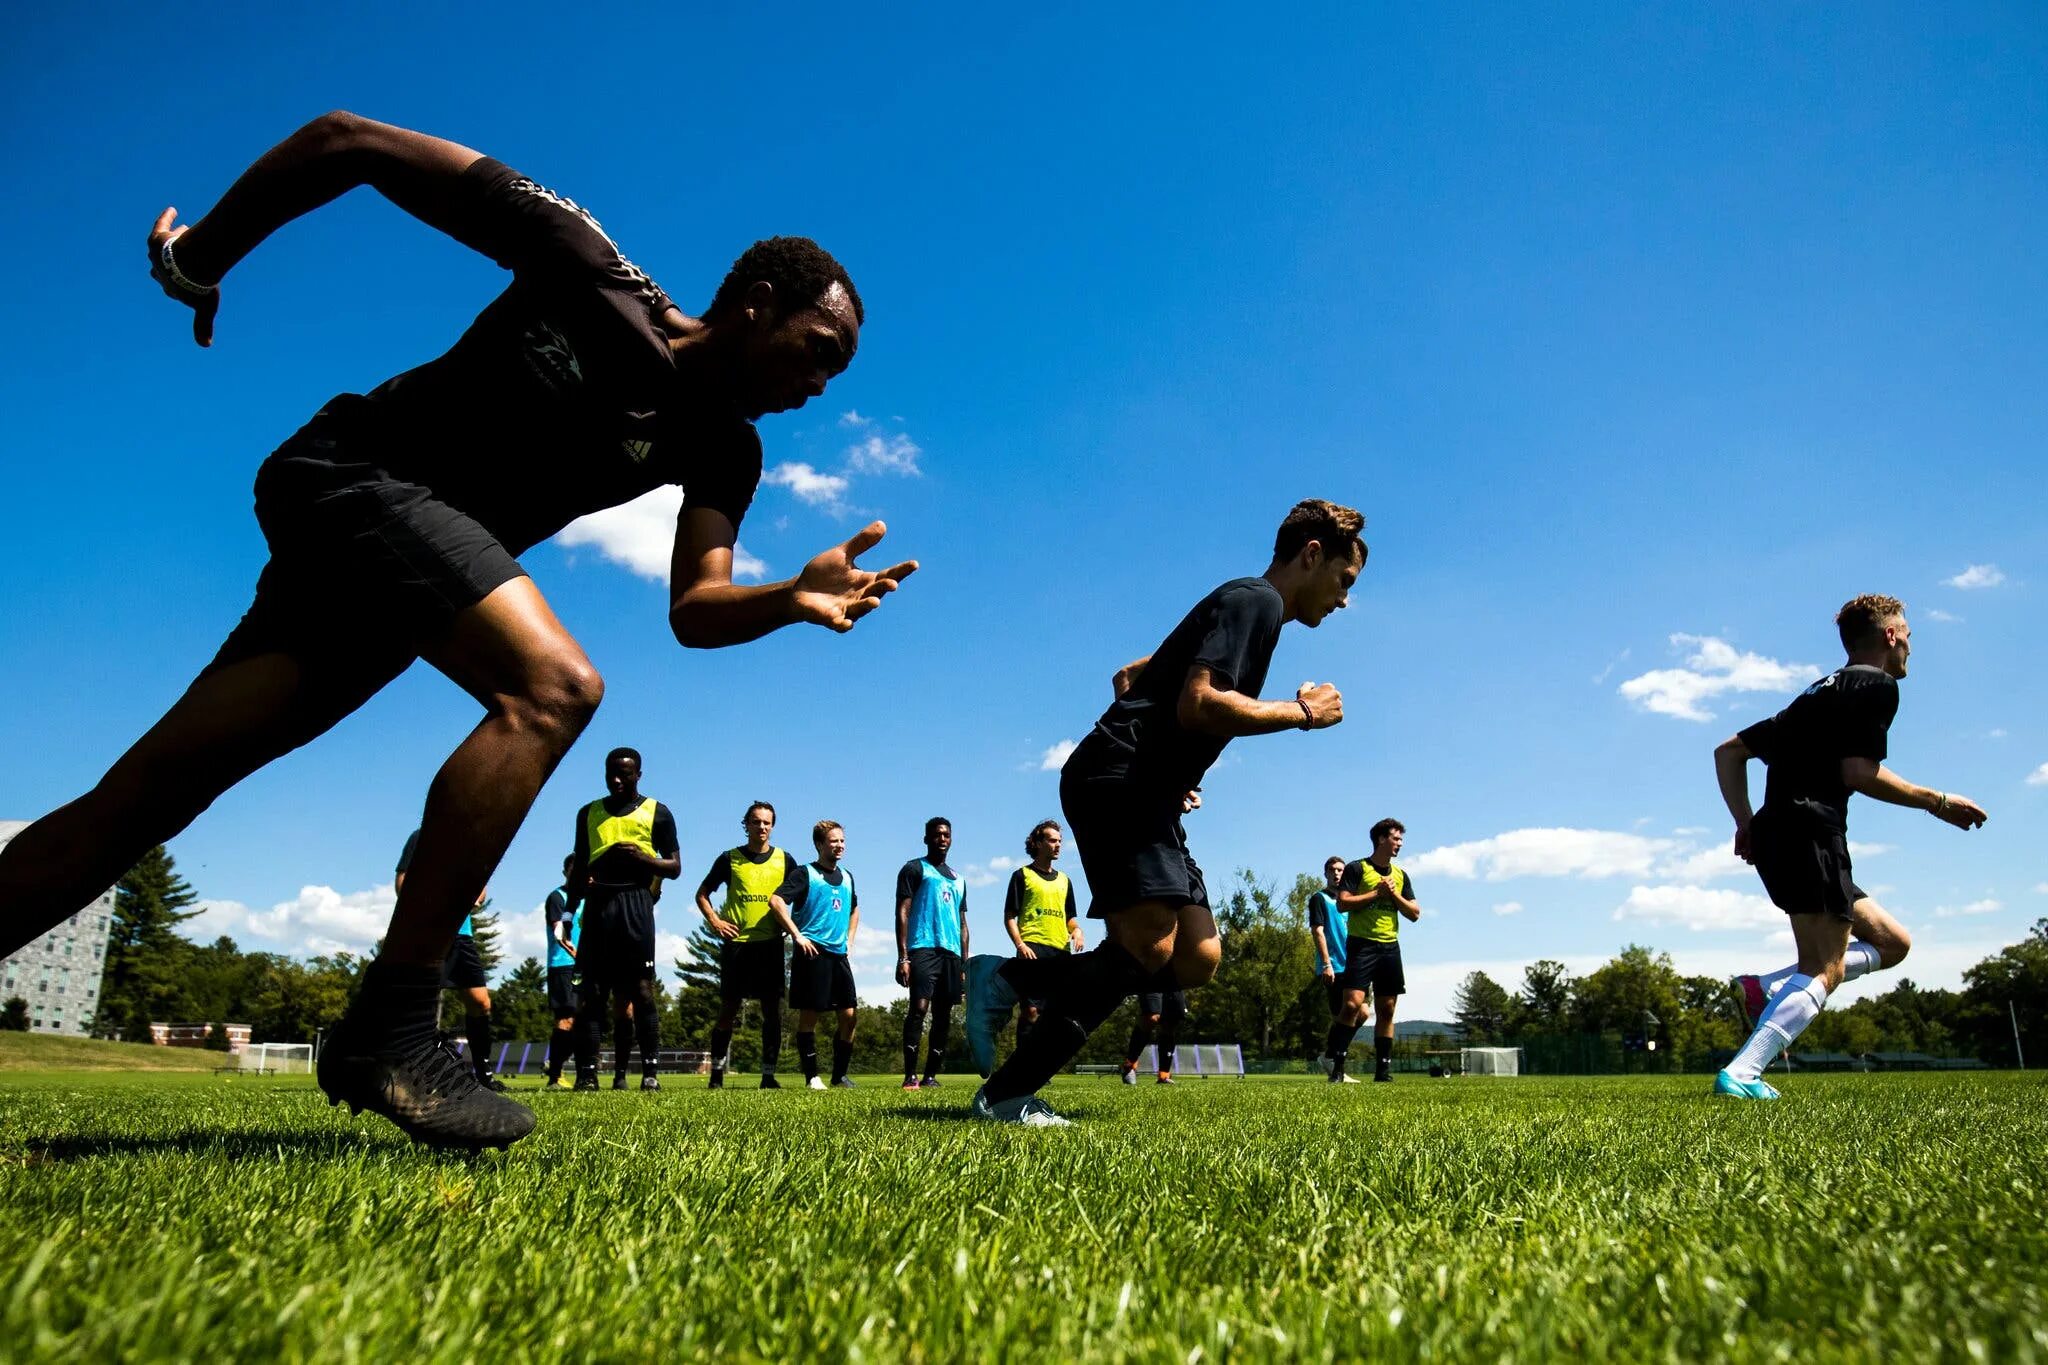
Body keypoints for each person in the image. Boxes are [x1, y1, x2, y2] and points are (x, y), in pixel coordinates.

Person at [0, 113, 915, 1149]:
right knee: (553, 687)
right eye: (818, 350)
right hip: (351, 479)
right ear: (757, 306)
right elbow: (350, 141)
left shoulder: (724, 450)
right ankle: (392, 1027)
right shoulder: (586, 265)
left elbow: (696, 611)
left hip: (392, 582)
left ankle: (382, 1025)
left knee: (140, 806)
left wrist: (786, 597)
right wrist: (197, 257)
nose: (820, 384)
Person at [968, 500, 1363, 1124]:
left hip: (1145, 786)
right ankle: (1006, 1094)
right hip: (1117, 780)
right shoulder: (1255, 601)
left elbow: (1130, 676)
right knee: (1148, 946)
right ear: (1312, 554)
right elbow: (1200, 703)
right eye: (1344, 581)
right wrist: (1303, 712)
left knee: (1195, 956)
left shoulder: (1251, 613)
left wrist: (1171, 767)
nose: (1344, 601)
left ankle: (1012, 981)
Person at [1711, 595, 1987, 1100]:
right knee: (1825, 968)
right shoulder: (1875, 685)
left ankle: (1764, 988)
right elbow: (1858, 773)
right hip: (1812, 831)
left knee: (1893, 944)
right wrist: (1937, 801)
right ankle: (1743, 1073)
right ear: (1889, 636)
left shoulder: (1817, 693)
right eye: (1907, 633)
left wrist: (1746, 824)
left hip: (1783, 833)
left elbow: (1729, 751)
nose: (1909, 644)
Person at [569, 749, 680, 1090]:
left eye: (625, 774)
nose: (617, 780)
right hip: (599, 901)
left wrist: (643, 858)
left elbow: (675, 868)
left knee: (641, 990)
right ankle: (587, 1074)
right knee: (592, 991)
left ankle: (649, 1073)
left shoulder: (657, 813)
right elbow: (579, 866)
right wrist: (576, 893)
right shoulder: (588, 813)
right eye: (611, 774)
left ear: (638, 775)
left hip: (635, 901)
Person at [698, 802, 805, 1089]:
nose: (762, 827)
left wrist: (788, 926)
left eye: (767, 822)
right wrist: (715, 921)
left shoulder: (785, 860)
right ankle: (717, 1076)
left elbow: (800, 896)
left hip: (769, 946)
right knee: (728, 1009)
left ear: (773, 826)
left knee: (772, 1012)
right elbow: (702, 893)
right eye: (756, 822)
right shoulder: (729, 859)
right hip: (738, 946)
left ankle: (768, 1076)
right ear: (746, 824)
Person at [395, 829, 502, 1090]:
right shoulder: (421, 836)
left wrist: (474, 894)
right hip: (429, 933)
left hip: (461, 935)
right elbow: (402, 882)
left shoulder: (470, 840)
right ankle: (417, 1069)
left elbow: (480, 892)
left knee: (480, 1003)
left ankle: (483, 1074)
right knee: (424, 1006)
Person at [771, 820, 861, 1089]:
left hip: (838, 955)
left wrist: (850, 940)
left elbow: (855, 909)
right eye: (834, 841)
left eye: (842, 840)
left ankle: (839, 1076)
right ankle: (812, 1077)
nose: (840, 845)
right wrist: (798, 935)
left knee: (849, 1016)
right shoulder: (804, 874)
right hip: (813, 953)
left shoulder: (847, 876)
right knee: (810, 1017)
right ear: (820, 844)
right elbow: (776, 901)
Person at [1331, 819, 1420, 1083]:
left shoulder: (1401, 875)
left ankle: (1383, 1071)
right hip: (1361, 944)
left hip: (1390, 946)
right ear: (1381, 839)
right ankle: (1337, 1067)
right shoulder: (1357, 868)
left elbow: (1414, 913)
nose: (1400, 844)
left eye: (1401, 840)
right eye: (1396, 838)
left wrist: (1393, 896)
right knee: (1351, 1005)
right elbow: (1343, 903)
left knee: (1387, 1008)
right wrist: (1375, 893)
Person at [897, 819, 970, 1089]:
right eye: (937, 835)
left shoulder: (959, 879)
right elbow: (902, 912)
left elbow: (963, 925)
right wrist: (903, 956)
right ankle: (910, 1076)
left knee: (943, 1014)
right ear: (926, 838)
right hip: (922, 947)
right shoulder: (914, 869)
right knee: (919, 1008)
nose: (942, 839)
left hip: (951, 954)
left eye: (947, 835)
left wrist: (964, 963)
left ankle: (930, 1076)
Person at [1002, 820, 1082, 1046]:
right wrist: (1020, 945)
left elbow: (1070, 919)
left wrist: (1077, 931)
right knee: (1031, 1010)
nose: (1058, 845)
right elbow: (1009, 917)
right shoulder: (1022, 875)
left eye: (1059, 841)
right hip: (1032, 949)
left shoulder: (1065, 880)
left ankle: (1040, 1066)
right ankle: (1022, 1066)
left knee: (1054, 1013)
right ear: (1037, 843)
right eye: (1052, 840)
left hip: (1060, 952)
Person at [1306, 855, 1348, 1073]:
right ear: (1326, 873)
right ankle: (1333, 1062)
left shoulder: (1349, 900)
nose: (1337, 873)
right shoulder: (1319, 899)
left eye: (1341, 870)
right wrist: (1326, 964)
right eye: (1332, 870)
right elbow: (1317, 931)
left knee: (1360, 1012)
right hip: (1335, 966)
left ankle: (1330, 1055)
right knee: (1342, 1014)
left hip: (1354, 965)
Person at [543, 855, 579, 1088]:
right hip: (563, 965)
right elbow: (559, 932)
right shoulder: (558, 898)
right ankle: (555, 1075)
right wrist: (578, 955)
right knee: (565, 1018)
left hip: (584, 966)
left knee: (582, 1021)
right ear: (565, 871)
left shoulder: (587, 898)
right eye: (573, 869)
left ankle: (555, 1062)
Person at [1120, 986, 1186, 1086]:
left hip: (1173, 979)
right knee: (1151, 1018)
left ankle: (1164, 1076)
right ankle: (1129, 1065)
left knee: (1170, 1023)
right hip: (1151, 975)